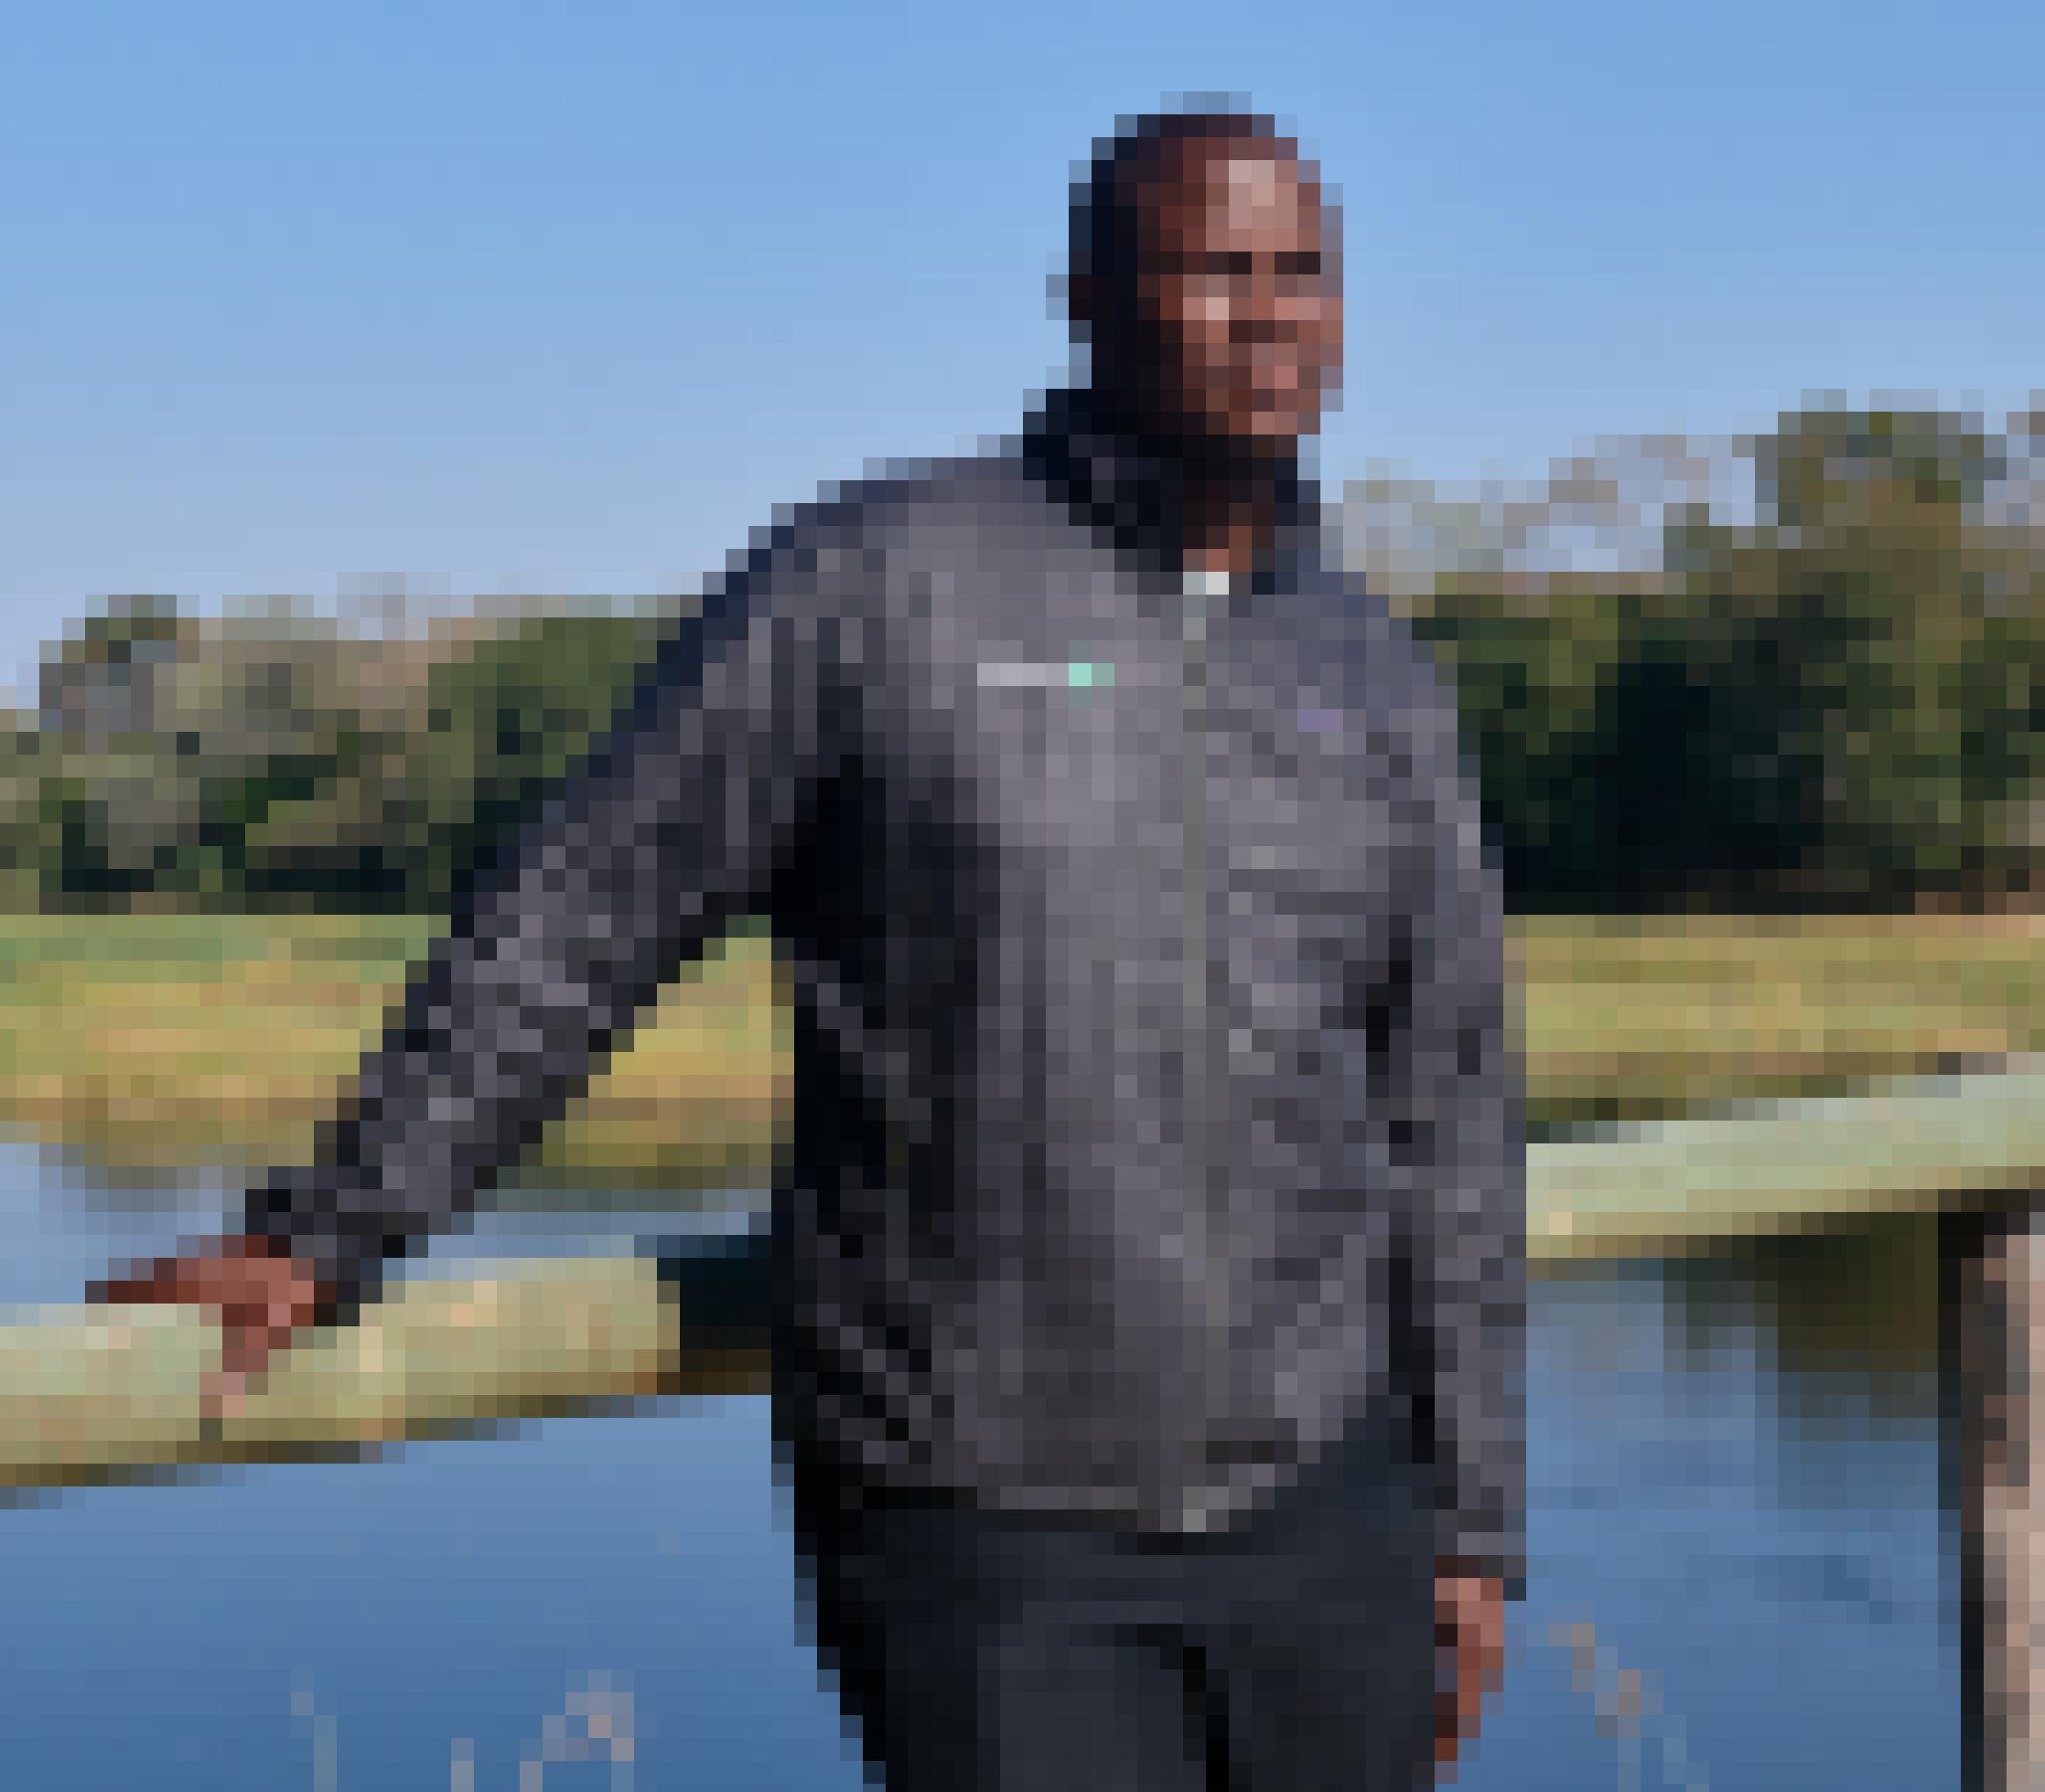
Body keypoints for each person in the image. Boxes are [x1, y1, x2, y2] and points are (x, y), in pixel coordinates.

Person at [97, 103, 1527, 1792]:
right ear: (1088, 295)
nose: (1272, 316)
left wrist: (1473, 1519)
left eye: (1305, 274)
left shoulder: (1368, 673)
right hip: (982, 1512)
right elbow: (582, 915)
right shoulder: (880, 585)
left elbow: (1447, 1114)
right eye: (1215, 269)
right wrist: (331, 1228)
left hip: (1325, 1514)